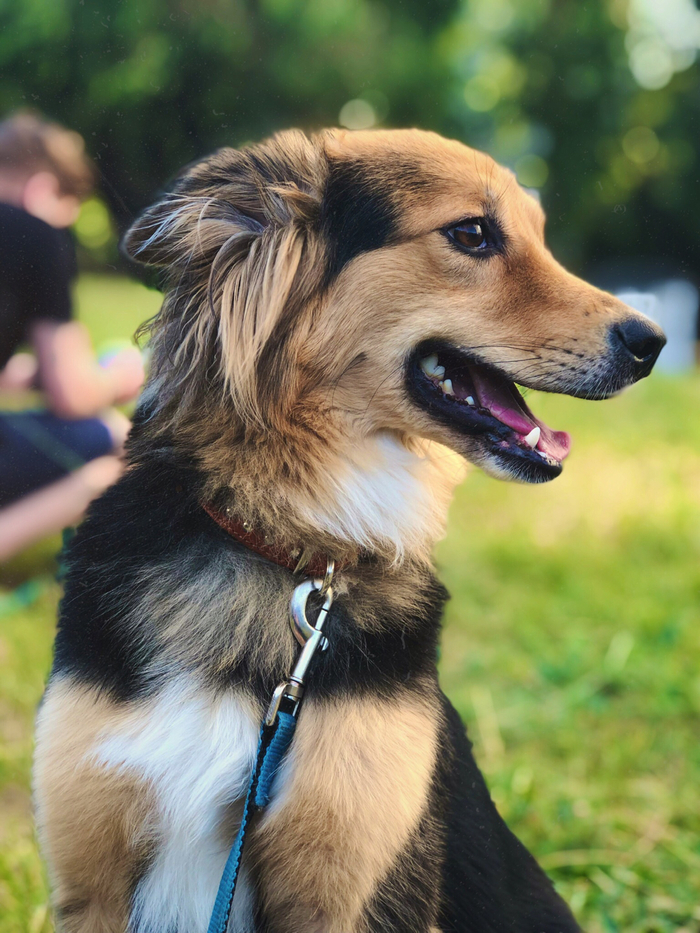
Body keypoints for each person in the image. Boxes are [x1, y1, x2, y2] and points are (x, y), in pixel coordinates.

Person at [0, 112, 144, 561]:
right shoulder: (34, 233)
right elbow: (73, 395)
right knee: (125, 444)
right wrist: (117, 379)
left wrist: (34, 375)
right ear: (41, 190)